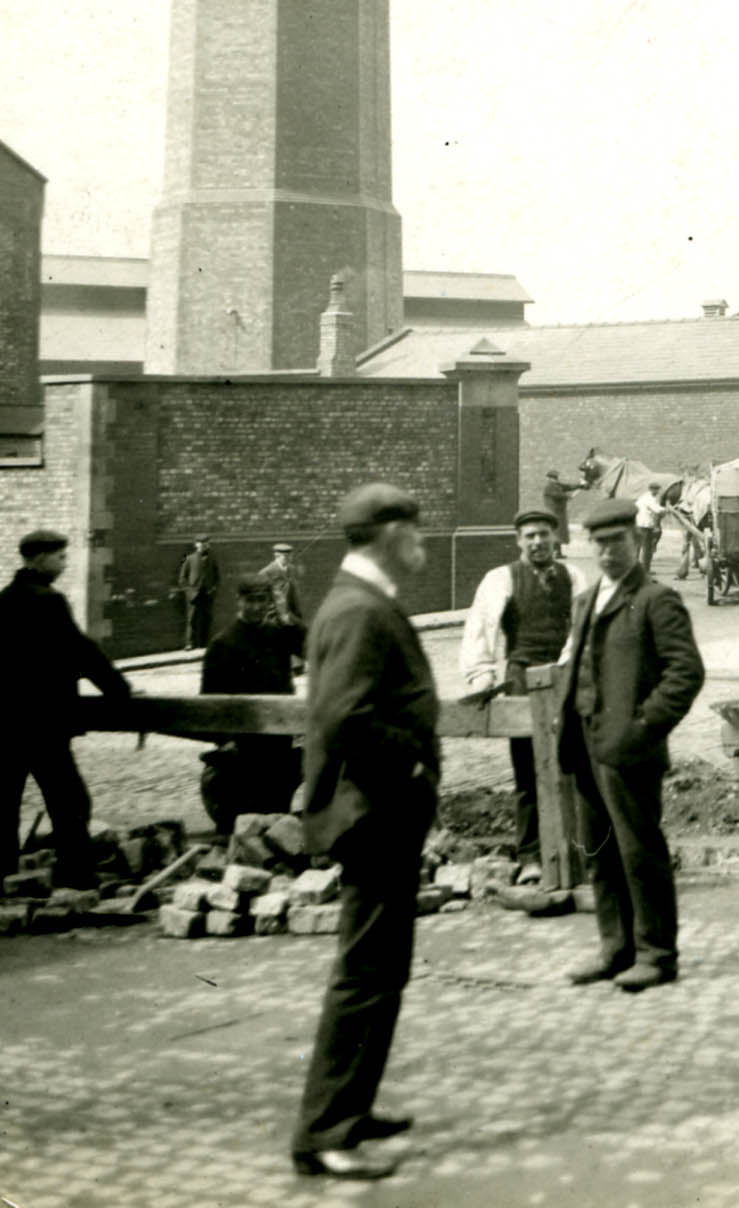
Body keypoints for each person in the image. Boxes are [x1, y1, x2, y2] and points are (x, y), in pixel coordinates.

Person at [291, 483, 438, 1181]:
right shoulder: (358, 609)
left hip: (378, 811)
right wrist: (409, 762)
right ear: (385, 530)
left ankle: (353, 1105)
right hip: (373, 811)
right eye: (414, 527)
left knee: (382, 970)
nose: (423, 540)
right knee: (366, 973)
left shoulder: (364, 599)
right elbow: (344, 717)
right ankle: (326, 1130)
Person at [559, 497, 705, 993]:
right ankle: (615, 947)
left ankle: (656, 954)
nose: (606, 553)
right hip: (585, 744)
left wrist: (644, 725)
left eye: (615, 542)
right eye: (597, 544)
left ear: (634, 540)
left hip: (630, 748)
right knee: (599, 852)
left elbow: (685, 672)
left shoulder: (655, 599)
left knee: (639, 851)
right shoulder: (584, 601)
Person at [0, 529, 131, 897]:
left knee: (2, 803)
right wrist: (119, 690)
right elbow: (82, 651)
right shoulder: (49, 602)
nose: (64, 564)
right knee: (70, 801)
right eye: (59, 557)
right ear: (37, 559)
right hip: (43, 724)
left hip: (1, 722)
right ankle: (75, 875)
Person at [460, 509, 575, 882]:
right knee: (528, 773)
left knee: (571, 764)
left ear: (555, 538)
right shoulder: (501, 579)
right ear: (518, 540)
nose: (537, 542)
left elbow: (585, 625)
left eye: (543, 534)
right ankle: (530, 857)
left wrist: (571, 664)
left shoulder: (574, 577)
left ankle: (574, 851)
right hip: (521, 678)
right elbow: (481, 627)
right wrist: (481, 675)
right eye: (529, 536)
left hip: (562, 678)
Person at [199, 576, 306, 830]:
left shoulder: (278, 635)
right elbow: (210, 706)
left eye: (262, 600)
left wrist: (287, 618)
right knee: (242, 831)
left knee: (277, 828)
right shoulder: (223, 644)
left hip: (279, 752)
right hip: (242, 757)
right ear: (239, 602)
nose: (257, 607)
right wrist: (226, 742)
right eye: (251, 601)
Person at [177, 536, 221, 650]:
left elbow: (217, 577)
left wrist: (213, 589)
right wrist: (189, 592)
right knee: (192, 618)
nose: (203, 546)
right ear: (196, 545)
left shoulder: (212, 559)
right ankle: (189, 643)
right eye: (201, 544)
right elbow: (182, 578)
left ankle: (204, 642)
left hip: (207, 593)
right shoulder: (190, 559)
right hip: (194, 594)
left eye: (206, 544)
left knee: (207, 617)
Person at [258, 542, 307, 631]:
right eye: (286, 557)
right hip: (274, 617)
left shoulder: (291, 569)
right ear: (277, 556)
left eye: (290, 556)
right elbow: (264, 598)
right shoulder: (265, 573)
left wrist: (297, 613)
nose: (289, 559)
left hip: (292, 614)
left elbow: (294, 591)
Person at [634, 481, 666, 576]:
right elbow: (657, 509)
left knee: (637, 548)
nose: (657, 492)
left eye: (657, 490)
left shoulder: (643, 497)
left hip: (638, 524)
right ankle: (645, 570)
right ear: (652, 489)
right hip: (645, 525)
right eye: (656, 490)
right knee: (647, 549)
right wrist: (668, 509)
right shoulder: (650, 499)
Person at [541, 471, 577, 549]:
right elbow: (556, 495)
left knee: (559, 533)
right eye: (553, 478)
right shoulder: (549, 486)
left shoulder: (557, 485)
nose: (555, 479)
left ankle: (558, 552)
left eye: (555, 478)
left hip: (559, 512)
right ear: (550, 478)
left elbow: (568, 487)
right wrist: (567, 496)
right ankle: (555, 551)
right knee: (556, 532)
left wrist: (580, 486)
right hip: (553, 512)